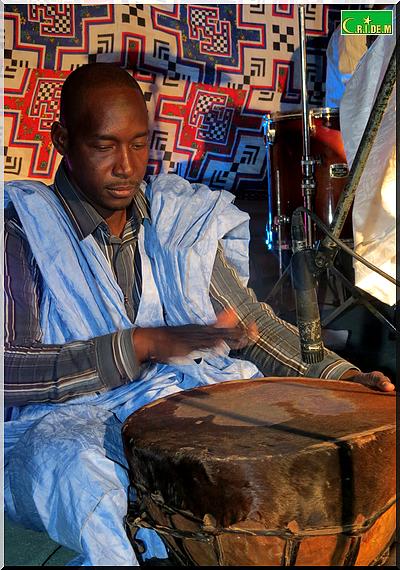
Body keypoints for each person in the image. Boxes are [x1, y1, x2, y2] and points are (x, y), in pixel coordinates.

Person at [4, 63, 394, 567]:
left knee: (276, 455)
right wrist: (136, 346)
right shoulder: (22, 229)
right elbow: (9, 368)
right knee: (83, 479)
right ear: (62, 140)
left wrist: (342, 377)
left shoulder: (177, 220)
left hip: (178, 403)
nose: (126, 166)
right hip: (64, 424)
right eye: (104, 147)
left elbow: (253, 327)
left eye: (139, 144)